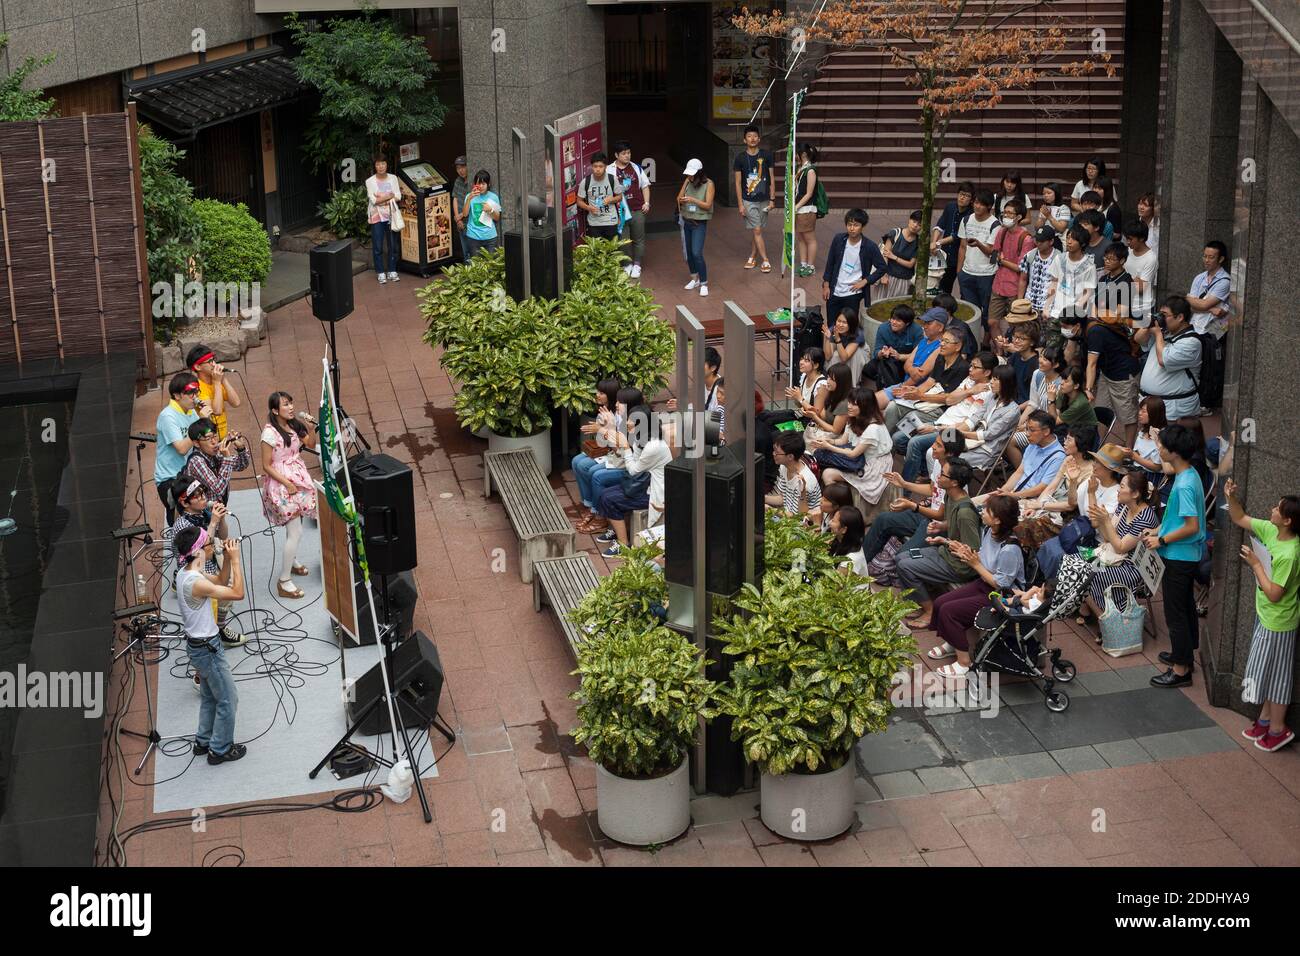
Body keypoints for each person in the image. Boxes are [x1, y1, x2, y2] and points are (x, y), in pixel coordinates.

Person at [1224, 479, 1299, 752]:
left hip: (1278, 621)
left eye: (1278, 509)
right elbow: (1239, 517)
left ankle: (1278, 729)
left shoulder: (1290, 553)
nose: (1272, 510)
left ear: (1287, 521)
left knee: (1277, 676)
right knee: (1267, 670)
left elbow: (1275, 593)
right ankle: (1266, 720)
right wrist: (1231, 497)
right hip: (1266, 615)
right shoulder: (1271, 530)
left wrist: (1256, 565)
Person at [926, 494, 1026, 676]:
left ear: (997, 519)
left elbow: (1001, 584)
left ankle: (964, 663)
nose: (982, 512)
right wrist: (963, 550)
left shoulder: (1010, 549)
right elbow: (983, 556)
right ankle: (953, 641)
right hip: (984, 584)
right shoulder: (990, 531)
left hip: (1002, 596)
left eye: (987, 510)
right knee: (941, 602)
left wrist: (975, 564)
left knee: (950, 611)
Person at [173, 524, 246, 765]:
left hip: (198, 647)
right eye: (209, 544)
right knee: (227, 698)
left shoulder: (187, 573)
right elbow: (236, 593)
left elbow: (221, 580)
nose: (213, 546)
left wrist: (224, 559)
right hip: (209, 648)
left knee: (209, 697)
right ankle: (220, 749)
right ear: (198, 551)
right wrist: (235, 559)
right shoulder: (196, 583)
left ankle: (203, 740)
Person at [1140, 424, 1207, 687]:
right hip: (1185, 554)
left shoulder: (1184, 485)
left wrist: (1162, 539)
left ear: (1174, 453)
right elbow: (1180, 519)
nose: (1159, 449)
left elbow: (1192, 525)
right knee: (1186, 608)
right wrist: (1158, 528)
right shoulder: (1188, 474)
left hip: (1179, 556)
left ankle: (1181, 671)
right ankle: (1185, 655)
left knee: (1175, 613)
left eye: (1162, 446)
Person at [894, 458, 982, 628]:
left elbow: (972, 549)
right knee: (902, 557)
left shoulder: (965, 512)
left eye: (942, 475)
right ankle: (919, 601)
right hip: (944, 552)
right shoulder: (950, 495)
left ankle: (930, 611)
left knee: (906, 566)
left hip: (957, 566)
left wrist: (945, 541)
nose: (938, 477)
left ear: (954, 482)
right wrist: (941, 526)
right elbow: (951, 521)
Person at [1077, 471, 1160, 632]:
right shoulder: (1124, 505)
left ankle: (1105, 620)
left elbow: (1121, 547)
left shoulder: (1145, 518)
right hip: (1112, 555)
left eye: (1122, 486)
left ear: (1135, 493)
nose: (1118, 490)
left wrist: (1105, 521)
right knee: (1075, 560)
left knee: (1088, 572)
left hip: (1131, 566)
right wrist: (1103, 521)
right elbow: (1108, 538)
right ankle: (1089, 608)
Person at [895, 351, 996, 481]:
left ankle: (906, 486)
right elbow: (949, 400)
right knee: (898, 438)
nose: (970, 369)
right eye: (971, 365)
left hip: (953, 432)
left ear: (987, 372)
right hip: (941, 421)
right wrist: (970, 391)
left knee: (915, 443)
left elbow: (966, 426)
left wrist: (936, 429)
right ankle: (927, 472)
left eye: (975, 367)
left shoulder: (987, 394)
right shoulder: (970, 381)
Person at [171, 477, 245, 648]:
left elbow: (223, 536)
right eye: (197, 495)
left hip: (206, 567)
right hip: (196, 569)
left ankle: (219, 628)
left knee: (225, 594)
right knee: (215, 600)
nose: (204, 497)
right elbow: (206, 554)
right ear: (185, 503)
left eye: (203, 492)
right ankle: (213, 634)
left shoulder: (203, 513)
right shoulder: (183, 526)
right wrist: (212, 523)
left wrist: (222, 518)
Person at [1035, 442, 1125, 580]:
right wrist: (1074, 481)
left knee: (1059, 556)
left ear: (1110, 469)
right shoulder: (1092, 479)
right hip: (1079, 532)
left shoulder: (1116, 494)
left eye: (1099, 463)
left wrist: (1091, 494)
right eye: (1095, 460)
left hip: (1096, 545)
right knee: (1048, 546)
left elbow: (1095, 523)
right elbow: (1072, 502)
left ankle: (1054, 591)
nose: (1094, 465)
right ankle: (1040, 586)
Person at [260, 391, 318, 600]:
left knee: (295, 525)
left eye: (291, 402)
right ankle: (284, 581)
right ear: (275, 410)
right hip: (281, 484)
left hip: (297, 476)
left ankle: (291, 561)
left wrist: (311, 428)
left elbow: (310, 444)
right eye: (285, 404)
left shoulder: (293, 424)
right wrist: (286, 483)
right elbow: (266, 465)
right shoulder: (269, 434)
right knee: (296, 531)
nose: (291, 407)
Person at [594, 407, 674, 558]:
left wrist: (625, 447)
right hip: (643, 484)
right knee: (605, 493)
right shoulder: (641, 438)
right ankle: (616, 531)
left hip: (655, 493)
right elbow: (634, 462)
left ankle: (624, 544)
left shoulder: (653, 446)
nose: (628, 422)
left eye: (632, 420)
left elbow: (633, 470)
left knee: (609, 498)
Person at [1086, 255, 1141, 445]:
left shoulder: (1127, 282)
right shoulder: (1103, 280)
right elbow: (1098, 306)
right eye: (1106, 258)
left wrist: (1087, 388)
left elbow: (1091, 364)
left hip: (1123, 373)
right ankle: (1098, 445)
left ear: (1122, 260)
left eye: (1111, 258)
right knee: (1100, 411)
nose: (1107, 261)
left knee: (1128, 415)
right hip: (1107, 373)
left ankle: (1129, 450)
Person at [810, 387, 893, 513]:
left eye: (854, 404)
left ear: (865, 406)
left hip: (872, 465)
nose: (849, 406)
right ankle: (831, 503)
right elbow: (842, 442)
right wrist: (827, 441)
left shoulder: (873, 428)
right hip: (858, 458)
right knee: (819, 455)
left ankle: (839, 508)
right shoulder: (853, 419)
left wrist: (828, 446)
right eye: (849, 402)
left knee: (827, 472)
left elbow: (854, 453)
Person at [881, 329, 970, 432]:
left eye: (946, 341)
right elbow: (930, 382)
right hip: (927, 400)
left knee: (910, 418)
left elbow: (948, 398)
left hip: (941, 409)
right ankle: (886, 439)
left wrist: (920, 396)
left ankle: (899, 440)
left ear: (958, 347)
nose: (941, 344)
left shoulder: (963, 368)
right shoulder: (941, 358)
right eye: (942, 340)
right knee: (893, 406)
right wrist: (913, 391)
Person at [155, 372, 210, 527]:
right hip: (170, 479)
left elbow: (202, 438)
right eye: (190, 393)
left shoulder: (191, 411)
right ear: (177, 395)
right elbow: (181, 448)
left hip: (187, 474)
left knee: (200, 515)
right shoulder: (168, 416)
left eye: (196, 392)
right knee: (182, 523)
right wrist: (200, 421)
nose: (195, 396)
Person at [1137, 295, 1203, 421]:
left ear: (1180, 317)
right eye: (1159, 314)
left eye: (1164, 315)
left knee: (1171, 440)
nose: (1161, 318)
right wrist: (1148, 323)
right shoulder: (1164, 334)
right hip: (1152, 406)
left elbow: (1164, 360)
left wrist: (1157, 334)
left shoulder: (1192, 342)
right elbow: (1139, 340)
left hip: (1174, 409)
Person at [948, 364, 1022, 474]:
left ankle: (947, 489)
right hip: (972, 442)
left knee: (948, 462)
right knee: (938, 447)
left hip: (987, 450)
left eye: (995, 379)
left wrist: (962, 433)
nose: (991, 382)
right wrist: (956, 431)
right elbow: (976, 417)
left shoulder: (1012, 410)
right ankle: (936, 487)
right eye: (992, 378)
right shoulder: (991, 397)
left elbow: (990, 434)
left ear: (1006, 383)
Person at [573, 378, 623, 533]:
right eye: (598, 391)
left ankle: (598, 513)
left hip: (619, 455)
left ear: (611, 395)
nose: (597, 394)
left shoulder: (621, 416)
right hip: (608, 451)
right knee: (577, 461)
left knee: (592, 471)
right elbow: (601, 442)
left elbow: (620, 446)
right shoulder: (604, 410)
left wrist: (605, 429)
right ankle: (589, 505)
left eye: (602, 392)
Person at [822, 207, 887, 327]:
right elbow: (830, 263)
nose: (852, 228)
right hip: (834, 290)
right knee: (832, 325)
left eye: (856, 225)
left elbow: (882, 267)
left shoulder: (869, 246)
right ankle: (831, 345)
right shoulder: (839, 239)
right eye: (849, 224)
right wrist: (826, 285)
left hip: (853, 293)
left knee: (849, 326)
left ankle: (848, 346)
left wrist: (865, 281)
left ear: (863, 226)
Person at [986, 410, 1065, 502]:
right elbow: (1019, 472)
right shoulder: (1033, 444)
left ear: (1046, 431)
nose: (1027, 434)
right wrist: (1004, 490)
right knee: (978, 503)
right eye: (1026, 429)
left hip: (1031, 500)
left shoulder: (1058, 457)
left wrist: (1013, 495)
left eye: (1032, 430)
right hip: (1016, 491)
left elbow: (1041, 488)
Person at [874, 307, 946, 409]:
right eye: (924, 323)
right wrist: (912, 370)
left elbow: (919, 376)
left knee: (883, 407)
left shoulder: (940, 347)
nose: (924, 326)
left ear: (940, 327)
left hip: (916, 391)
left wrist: (902, 387)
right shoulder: (924, 341)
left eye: (928, 323)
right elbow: (907, 364)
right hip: (904, 385)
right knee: (869, 402)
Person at [987, 200, 1034, 345]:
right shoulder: (1001, 231)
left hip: (1014, 287)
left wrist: (1002, 261)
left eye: (1009, 213)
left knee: (1015, 325)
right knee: (992, 322)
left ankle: (1013, 351)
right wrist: (998, 257)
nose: (1005, 216)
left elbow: (1021, 267)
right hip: (998, 284)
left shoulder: (1026, 238)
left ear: (1019, 217)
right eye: (1004, 212)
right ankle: (1000, 351)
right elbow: (994, 254)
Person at [733, 124, 777, 272]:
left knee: (756, 230)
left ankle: (752, 256)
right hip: (748, 200)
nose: (752, 139)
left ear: (759, 139)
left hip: (764, 199)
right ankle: (765, 260)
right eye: (749, 136)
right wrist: (740, 204)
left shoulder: (767, 155)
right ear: (744, 139)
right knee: (757, 230)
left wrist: (772, 199)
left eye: (755, 136)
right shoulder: (740, 158)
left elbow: (771, 178)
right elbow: (738, 183)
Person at [955, 190, 999, 333]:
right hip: (967, 273)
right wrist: (959, 272)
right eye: (976, 202)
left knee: (986, 311)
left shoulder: (995, 225)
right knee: (970, 311)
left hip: (986, 274)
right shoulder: (966, 220)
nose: (977, 206)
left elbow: (992, 252)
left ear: (989, 207)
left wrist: (979, 244)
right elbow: (962, 247)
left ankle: (986, 342)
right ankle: (971, 340)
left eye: (981, 204)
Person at [1044, 226, 1096, 343]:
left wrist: (1075, 311)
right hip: (1056, 313)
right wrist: (1047, 306)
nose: (1069, 241)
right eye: (1068, 238)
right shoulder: (1060, 259)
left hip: (1074, 318)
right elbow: (1053, 283)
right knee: (1051, 349)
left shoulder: (1089, 266)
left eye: (1074, 239)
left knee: (1071, 353)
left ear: (1082, 244)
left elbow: (1088, 292)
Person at [610, 141, 651, 276]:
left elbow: (645, 186)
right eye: (624, 153)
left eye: (628, 153)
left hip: (637, 209)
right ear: (616, 155)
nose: (627, 156)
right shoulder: (609, 170)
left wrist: (647, 203)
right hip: (619, 212)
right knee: (623, 240)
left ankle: (637, 265)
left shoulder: (636, 168)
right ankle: (627, 264)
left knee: (638, 239)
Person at [186, 346, 241, 440]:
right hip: (208, 440)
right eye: (210, 361)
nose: (214, 364)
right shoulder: (197, 388)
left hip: (222, 437)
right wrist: (217, 382)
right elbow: (217, 411)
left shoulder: (217, 381)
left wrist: (223, 379)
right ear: (198, 367)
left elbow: (236, 403)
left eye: (214, 360)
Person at [677, 159, 714, 297]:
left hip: (699, 223)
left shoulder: (709, 184)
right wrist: (686, 183)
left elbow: (708, 205)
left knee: (697, 253)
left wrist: (692, 200)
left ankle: (704, 282)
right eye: (689, 174)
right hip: (687, 221)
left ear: (700, 172)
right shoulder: (688, 181)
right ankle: (695, 279)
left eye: (692, 174)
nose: (690, 177)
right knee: (689, 254)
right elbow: (679, 198)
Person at [864, 303, 922, 389]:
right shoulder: (883, 328)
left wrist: (900, 356)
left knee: (885, 369)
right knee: (869, 369)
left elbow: (919, 354)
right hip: (887, 360)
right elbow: (876, 352)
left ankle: (885, 388)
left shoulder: (916, 330)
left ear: (907, 323)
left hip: (906, 362)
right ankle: (889, 384)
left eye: (898, 320)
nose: (894, 322)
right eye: (893, 319)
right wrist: (882, 353)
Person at [765, 431, 821, 515]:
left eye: (777, 452)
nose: (773, 454)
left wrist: (771, 510)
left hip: (803, 522)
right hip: (788, 514)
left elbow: (797, 517)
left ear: (790, 456)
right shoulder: (784, 466)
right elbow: (783, 498)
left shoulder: (804, 481)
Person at [933, 181, 974, 295]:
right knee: (943, 286)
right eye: (961, 194)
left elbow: (957, 236)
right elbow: (940, 225)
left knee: (963, 287)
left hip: (961, 256)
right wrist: (934, 242)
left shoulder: (971, 215)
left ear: (971, 200)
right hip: (945, 254)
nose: (962, 198)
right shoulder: (950, 207)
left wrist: (938, 242)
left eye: (966, 196)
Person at [366, 156, 401, 283]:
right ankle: (380, 272)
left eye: (383, 164)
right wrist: (389, 196)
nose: (381, 166)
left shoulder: (393, 178)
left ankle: (392, 270)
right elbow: (374, 201)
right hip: (377, 216)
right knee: (378, 246)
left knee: (393, 245)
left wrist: (382, 198)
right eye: (378, 164)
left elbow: (398, 196)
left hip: (391, 215)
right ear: (375, 166)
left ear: (387, 165)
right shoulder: (369, 181)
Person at [1019, 225, 1062, 330]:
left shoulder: (1059, 258)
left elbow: (1058, 285)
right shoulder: (1030, 255)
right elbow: (1023, 280)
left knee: (1045, 340)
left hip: (1049, 309)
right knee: (1029, 337)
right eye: (1036, 240)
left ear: (1051, 242)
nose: (1038, 243)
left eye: (1041, 241)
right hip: (1030, 306)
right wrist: (1020, 303)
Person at [577, 151, 624, 241]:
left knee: (612, 251)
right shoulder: (586, 181)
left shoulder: (612, 179)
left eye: (600, 166)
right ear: (591, 166)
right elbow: (579, 201)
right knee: (597, 252)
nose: (598, 169)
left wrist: (610, 200)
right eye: (595, 166)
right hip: (594, 223)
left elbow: (620, 197)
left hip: (611, 221)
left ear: (605, 167)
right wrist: (589, 208)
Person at [801, 363, 853, 443]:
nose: (827, 381)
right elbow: (823, 415)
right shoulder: (831, 393)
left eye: (832, 379)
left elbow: (836, 430)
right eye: (828, 377)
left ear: (841, 382)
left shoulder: (844, 403)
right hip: (823, 432)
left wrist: (814, 416)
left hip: (835, 440)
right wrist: (811, 411)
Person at [1123, 219, 1158, 338]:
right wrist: (1134, 279)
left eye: (1130, 239)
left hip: (1141, 307)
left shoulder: (1150, 258)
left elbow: (1141, 288)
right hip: (1125, 304)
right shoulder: (1127, 252)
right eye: (1126, 238)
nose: (1128, 242)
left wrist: (1125, 279)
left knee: (1137, 343)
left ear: (1142, 238)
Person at [791, 142, 821, 276]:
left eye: (796, 153)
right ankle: (803, 264)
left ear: (802, 154)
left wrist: (796, 206)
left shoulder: (810, 170)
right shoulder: (801, 169)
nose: (795, 156)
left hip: (807, 209)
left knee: (809, 238)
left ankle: (811, 266)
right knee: (801, 238)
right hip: (799, 209)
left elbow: (809, 193)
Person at [996, 316, 1040, 405]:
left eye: (1022, 339)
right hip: (1009, 398)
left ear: (1032, 342)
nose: (1016, 341)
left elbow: (1035, 399)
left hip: (1023, 405)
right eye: (1015, 337)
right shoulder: (1016, 356)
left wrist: (1015, 409)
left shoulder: (1036, 365)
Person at [1124, 395, 1167, 488]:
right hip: (1136, 470)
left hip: (1150, 477)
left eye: (1143, 411)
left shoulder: (1161, 436)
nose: (1139, 413)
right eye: (1140, 410)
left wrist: (1134, 456)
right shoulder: (1143, 431)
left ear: (1154, 414)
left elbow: (1156, 466)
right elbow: (1137, 452)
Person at [880, 210, 923, 300]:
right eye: (914, 221)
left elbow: (911, 264)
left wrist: (895, 257)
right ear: (909, 220)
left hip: (905, 280)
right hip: (889, 278)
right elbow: (885, 255)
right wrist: (884, 275)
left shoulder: (918, 242)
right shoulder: (895, 233)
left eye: (919, 224)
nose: (915, 225)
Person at [462, 169, 501, 259]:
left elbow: (497, 218)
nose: (481, 186)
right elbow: (465, 214)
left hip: (490, 238)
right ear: (474, 184)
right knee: (476, 267)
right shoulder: (469, 196)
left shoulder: (493, 197)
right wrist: (469, 199)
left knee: (491, 266)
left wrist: (490, 210)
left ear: (488, 184)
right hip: (473, 236)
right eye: (478, 183)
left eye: (483, 184)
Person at [1050, 365, 1099, 432]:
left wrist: (1051, 401)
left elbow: (1055, 422)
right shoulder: (1063, 392)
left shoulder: (1079, 404)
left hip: (1085, 432)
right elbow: (1055, 415)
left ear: (1076, 386)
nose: (1061, 383)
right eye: (1062, 379)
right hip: (1071, 425)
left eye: (1066, 381)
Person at [825, 308, 865, 384]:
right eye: (839, 321)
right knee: (835, 356)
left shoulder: (858, 333)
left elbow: (844, 358)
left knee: (856, 355)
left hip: (860, 351)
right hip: (841, 347)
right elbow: (828, 356)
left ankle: (853, 384)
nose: (840, 325)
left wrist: (838, 339)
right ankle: (833, 382)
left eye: (844, 322)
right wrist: (827, 339)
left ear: (851, 324)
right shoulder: (833, 330)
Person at [830, 506, 870, 577]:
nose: (830, 522)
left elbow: (834, 585)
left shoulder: (850, 561)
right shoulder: (842, 542)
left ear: (844, 529)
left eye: (833, 521)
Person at [450, 156, 471, 262]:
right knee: (465, 252)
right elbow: (455, 198)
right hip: (460, 221)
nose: (460, 171)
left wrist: (461, 216)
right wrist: (457, 218)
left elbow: (473, 201)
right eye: (458, 168)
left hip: (470, 221)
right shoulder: (458, 180)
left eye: (463, 167)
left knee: (472, 251)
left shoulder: (472, 181)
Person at [1136, 193, 1160, 259]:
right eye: (1140, 204)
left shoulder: (1158, 227)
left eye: (1146, 205)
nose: (1141, 207)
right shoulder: (1136, 224)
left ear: (1153, 209)